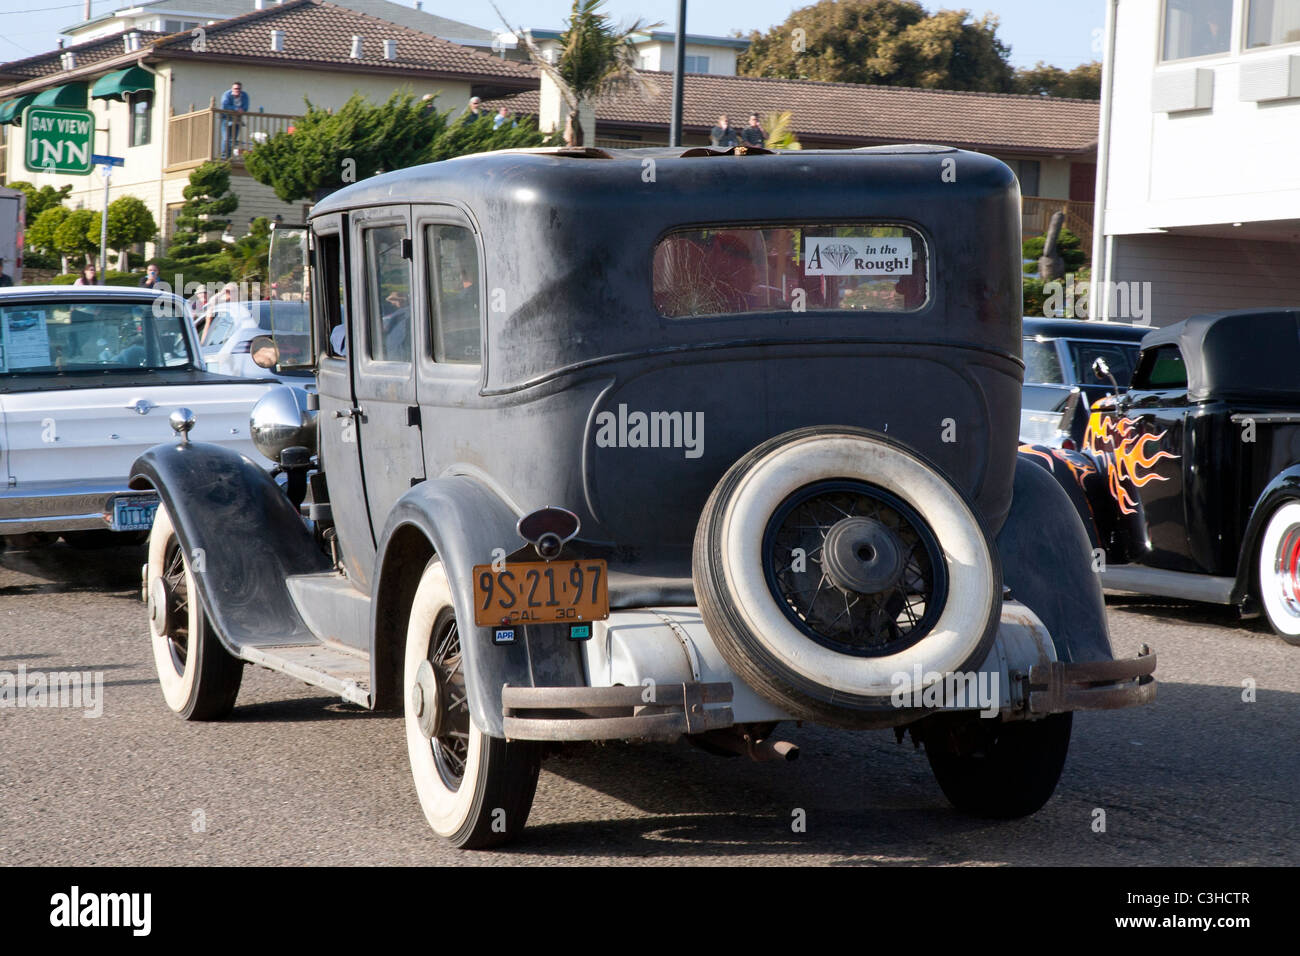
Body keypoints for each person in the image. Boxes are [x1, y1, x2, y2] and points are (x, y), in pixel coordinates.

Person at [219, 81, 249, 159]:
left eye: (239, 89)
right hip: (226, 119)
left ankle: (229, 157)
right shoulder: (227, 95)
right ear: (232, 89)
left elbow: (245, 107)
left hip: (237, 120)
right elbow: (225, 106)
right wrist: (236, 109)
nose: (237, 90)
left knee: (232, 140)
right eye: (235, 88)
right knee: (226, 139)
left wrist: (241, 110)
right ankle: (223, 157)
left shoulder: (244, 96)